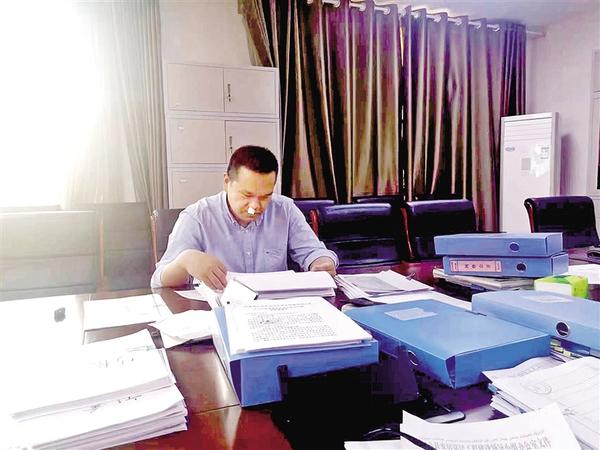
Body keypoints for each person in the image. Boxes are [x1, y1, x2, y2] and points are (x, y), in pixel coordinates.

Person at [151, 145, 338, 289]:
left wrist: (322, 262)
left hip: (275, 309)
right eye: (247, 195)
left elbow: (313, 252)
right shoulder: (197, 216)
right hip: (220, 311)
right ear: (227, 182)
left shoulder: (285, 209)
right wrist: (185, 261)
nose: (255, 207)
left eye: (265, 196)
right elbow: (159, 280)